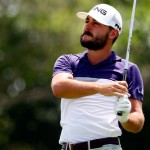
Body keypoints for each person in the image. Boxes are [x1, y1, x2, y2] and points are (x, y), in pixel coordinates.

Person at [51, 3, 145, 150]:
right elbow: (59, 88)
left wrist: (125, 118)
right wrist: (100, 88)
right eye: (87, 21)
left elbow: (137, 123)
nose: (88, 26)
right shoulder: (68, 61)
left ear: (113, 33)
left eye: (96, 23)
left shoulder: (129, 69)